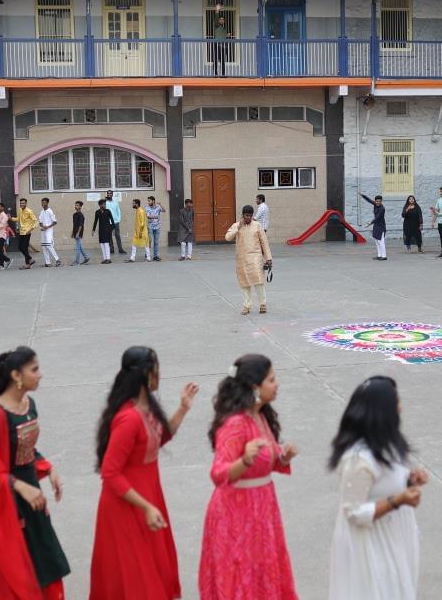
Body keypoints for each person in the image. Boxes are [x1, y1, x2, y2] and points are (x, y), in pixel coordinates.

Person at [90, 346, 199, 599]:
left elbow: (157, 439)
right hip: (127, 505)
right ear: (146, 373)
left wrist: (183, 408)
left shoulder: (145, 406)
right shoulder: (128, 418)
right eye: (156, 368)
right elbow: (110, 473)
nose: (160, 374)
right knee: (135, 577)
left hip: (146, 497)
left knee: (147, 571)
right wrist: (146, 507)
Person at [199, 354, 298, 600]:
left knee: (262, 571)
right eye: (272, 380)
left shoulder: (261, 416)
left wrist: (282, 458)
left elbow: (264, 463)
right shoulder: (235, 424)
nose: (277, 384)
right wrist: (243, 461)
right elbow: (218, 473)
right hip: (236, 513)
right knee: (241, 574)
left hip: (262, 509)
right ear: (255, 387)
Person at [0, 347, 70, 599]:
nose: (40, 375)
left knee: (46, 561)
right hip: (11, 502)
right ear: (16, 376)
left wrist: (48, 468)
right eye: (35, 369)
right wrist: (18, 485)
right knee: (21, 569)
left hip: (33, 497)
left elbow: (25, 448)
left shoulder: (29, 405)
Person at [328, 376, 427, 600]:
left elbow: (383, 485)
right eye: (396, 402)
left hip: (392, 535)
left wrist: (410, 481)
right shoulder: (358, 458)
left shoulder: (386, 445)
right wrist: (398, 501)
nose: (400, 406)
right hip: (369, 544)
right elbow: (353, 512)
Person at [224, 205, 273, 315]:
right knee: (244, 283)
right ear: (242, 215)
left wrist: (268, 258)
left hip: (255, 258)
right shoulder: (236, 225)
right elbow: (227, 237)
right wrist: (238, 228)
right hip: (241, 259)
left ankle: (262, 304)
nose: (248, 218)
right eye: (246, 216)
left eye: (250, 216)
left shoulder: (257, 225)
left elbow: (264, 243)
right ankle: (247, 305)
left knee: (259, 281)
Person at [360, 193, 387, 261]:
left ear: (381, 201)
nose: (378, 202)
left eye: (379, 201)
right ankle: (379, 255)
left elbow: (377, 217)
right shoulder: (375, 204)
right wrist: (363, 195)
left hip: (381, 226)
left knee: (381, 241)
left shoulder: (382, 208)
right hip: (376, 225)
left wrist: (370, 223)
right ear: (375, 201)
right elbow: (369, 200)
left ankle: (384, 256)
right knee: (377, 240)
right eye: (377, 201)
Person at [12, 198, 38, 269]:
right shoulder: (20, 210)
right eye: (20, 203)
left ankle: (27, 264)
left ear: (26, 203)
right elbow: (18, 219)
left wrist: (30, 230)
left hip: (27, 232)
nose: (21, 204)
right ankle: (30, 259)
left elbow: (36, 221)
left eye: (23, 203)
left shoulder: (29, 211)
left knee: (25, 248)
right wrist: (11, 219)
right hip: (21, 231)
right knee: (20, 247)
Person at [37, 198, 62, 268]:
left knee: (49, 245)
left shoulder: (50, 211)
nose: (43, 204)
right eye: (42, 203)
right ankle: (48, 262)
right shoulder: (41, 212)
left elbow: (55, 222)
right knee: (44, 246)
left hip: (49, 231)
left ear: (47, 203)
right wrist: (42, 226)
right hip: (43, 231)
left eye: (44, 203)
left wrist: (47, 227)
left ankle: (58, 260)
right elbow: (40, 222)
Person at [126, 198, 151, 263]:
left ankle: (148, 258)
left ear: (137, 204)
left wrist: (140, 232)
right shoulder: (137, 210)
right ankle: (132, 258)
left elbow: (142, 223)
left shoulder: (141, 211)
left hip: (142, 232)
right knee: (134, 244)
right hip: (137, 232)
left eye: (133, 203)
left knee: (146, 244)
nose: (132, 204)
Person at [93, 199, 115, 264]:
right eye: (104, 204)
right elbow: (95, 221)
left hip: (107, 230)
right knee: (102, 244)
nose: (105, 205)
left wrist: (113, 228)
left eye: (105, 204)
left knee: (106, 244)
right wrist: (93, 230)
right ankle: (105, 258)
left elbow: (112, 220)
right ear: (100, 205)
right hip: (101, 230)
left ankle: (108, 259)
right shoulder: (97, 212)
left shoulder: (108, 211)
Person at [146, 195, 165, 261]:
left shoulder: (158, 207)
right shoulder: (147, 207)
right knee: (150, 241)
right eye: (148, 201)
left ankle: (156, 256)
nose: (148, 202)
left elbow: (164, 210)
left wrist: (160, 204)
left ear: (153, 201)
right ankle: (147, 254)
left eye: (149, 201)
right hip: (150, 227)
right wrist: (156, 217)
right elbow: (148, 216)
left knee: (156, 242)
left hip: (157, 227)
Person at [70, 200, 89, 266]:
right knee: (79, 247)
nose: (76, 206)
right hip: (75, 232)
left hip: (79, 233)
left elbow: (81, 225)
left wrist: (78, 233)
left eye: (77, 205)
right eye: (75, 205)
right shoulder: (74, 215)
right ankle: (86, 257)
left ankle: (77, 261)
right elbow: (74, 224)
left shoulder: (81, 215)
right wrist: (73, 233)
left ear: (80, 207)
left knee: (78, 248)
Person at [105, 189, 125, 254]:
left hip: (115, 222)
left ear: (112, 195)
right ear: (107, 194)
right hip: (108, 222)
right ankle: (111, 249)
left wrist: (118, 220)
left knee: (117, 236)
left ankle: (120, 249)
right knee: (109, 236)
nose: (109, 194)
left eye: (110, 193)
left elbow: (118, 211)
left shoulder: (115, 202)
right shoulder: (105, 203)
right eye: (108, 193)